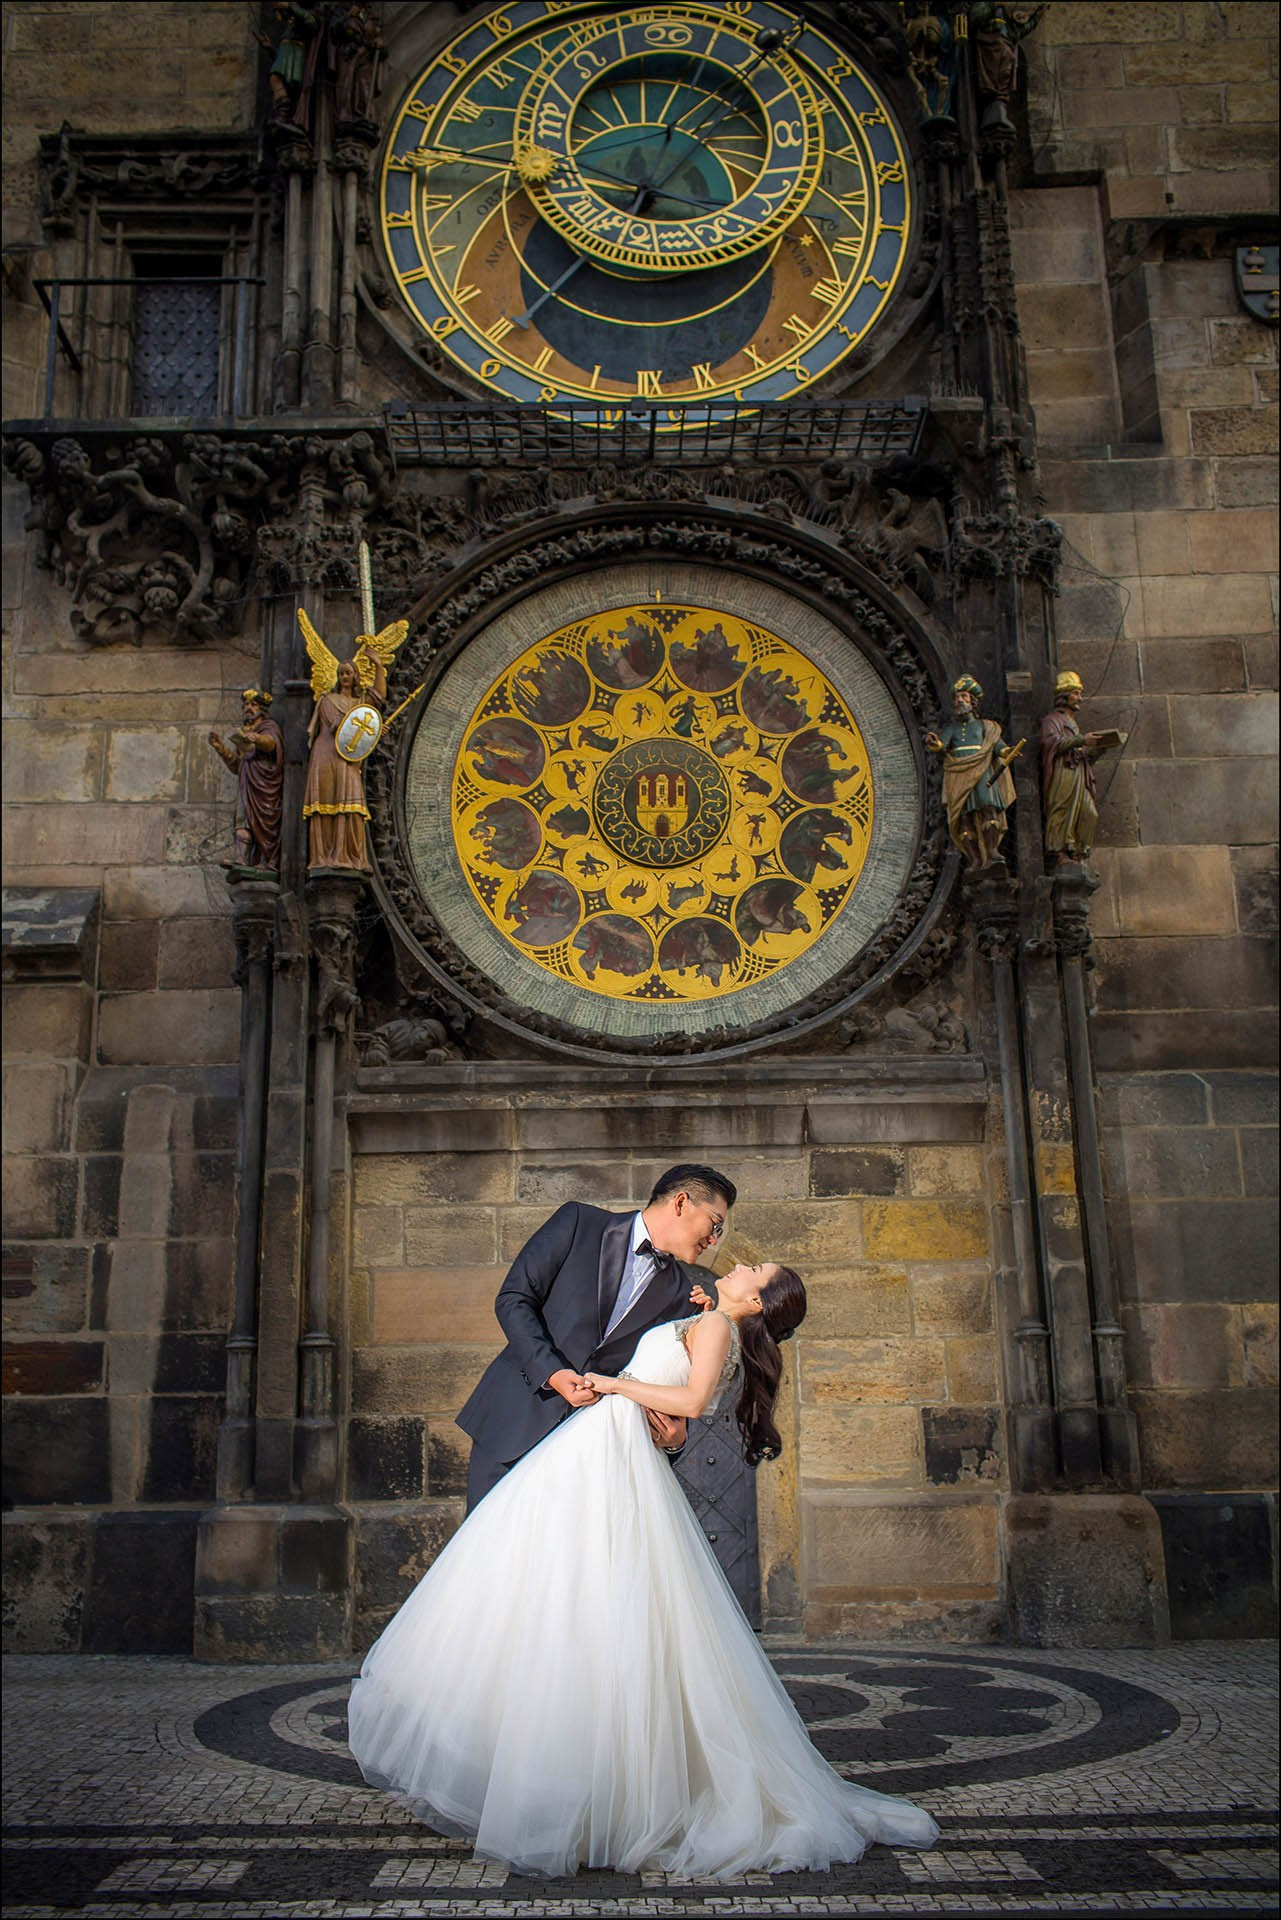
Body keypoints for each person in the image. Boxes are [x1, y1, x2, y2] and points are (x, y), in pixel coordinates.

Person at [348, 1261, 941, 1878]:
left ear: (760, 1299)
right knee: (578, 1593)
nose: (741, 1262)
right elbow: (681, 1395)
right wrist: (684, 1319)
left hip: (611, 1448)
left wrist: (614, 1385)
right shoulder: (709, 1320)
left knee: (579, 1594)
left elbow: (687, 1401)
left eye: (755, 1269)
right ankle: (576, 1779)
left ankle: (587, 1790)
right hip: (605, 1448)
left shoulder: (716, 1329)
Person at [456, 1163, 737, 1512]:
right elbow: (514, 1299)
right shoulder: (578, 1223)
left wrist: (676, 1442)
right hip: (515, 1421)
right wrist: (553, 1373)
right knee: (488, 1557)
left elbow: (664, 1388)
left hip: (590, 1456)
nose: (714, 1239)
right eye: (716, 1224)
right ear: (681, 1202)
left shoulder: (685, 1298)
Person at [924, 673, 1021, 871]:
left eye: (964, 697)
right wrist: (935, 743)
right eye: (957, 697)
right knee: (964, 817)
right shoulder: (952, 729)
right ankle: (974, 858)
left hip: (981, 770)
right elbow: (942, 745)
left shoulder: (985, 726)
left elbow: (996, 745)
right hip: (959, 773)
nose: (960, 700)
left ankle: (992, 851)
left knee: (988, 808)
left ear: (973, 701)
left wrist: (1006, 752)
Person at [1039, 669, 1125, 864]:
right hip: (1063, 773)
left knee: (1089, 813)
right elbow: (1050, 743)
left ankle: (1077, 852)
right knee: (1062, 809)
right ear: (1064, 695)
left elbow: (1081, 754)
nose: (1080, 698)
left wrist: (1099, 748)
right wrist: (1081, 740)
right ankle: (1058, 852)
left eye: (1079, 693)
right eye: (1076, 693)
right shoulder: (1052, 720)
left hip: (1078, 771)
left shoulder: (1072, 722)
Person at [208, 687, 284, 870]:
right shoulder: (243, 733)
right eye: (246, 704)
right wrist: (221, 749)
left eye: (253, 704)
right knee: (243, 820)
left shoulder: (268, 727)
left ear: (261, 709)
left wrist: (256, 738)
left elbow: (271, 744)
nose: (248, 708)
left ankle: (267, 861)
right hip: (246, 781)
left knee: (265, 822)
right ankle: (241, 860)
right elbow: (236, 765)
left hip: (264, 784)